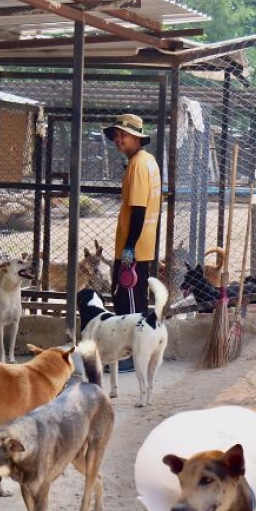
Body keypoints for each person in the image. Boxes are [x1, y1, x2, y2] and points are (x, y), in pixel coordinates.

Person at [103, 113, 162, 371]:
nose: (118, 139)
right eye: (116, 135)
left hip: (134, 249)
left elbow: (138, 209)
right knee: (136, 303)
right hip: (142, 246)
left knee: (129, 308)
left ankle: (130, 357)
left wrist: (128, 247)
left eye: (123, 135)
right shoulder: (147, 161)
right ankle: (139, 355)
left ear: (136, 137)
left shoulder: (138, 165)